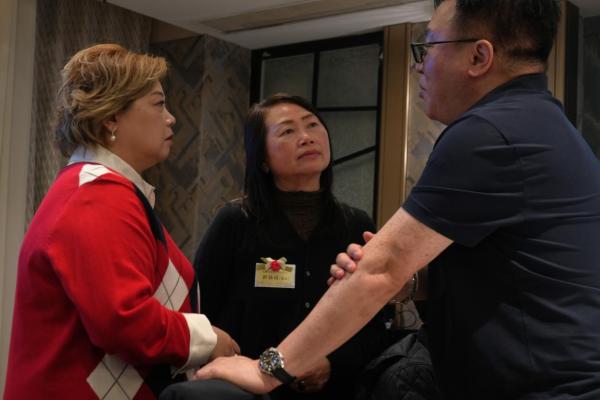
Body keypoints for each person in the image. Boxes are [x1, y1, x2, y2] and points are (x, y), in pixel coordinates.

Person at [192, 0, 600, 399]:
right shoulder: (541, 122)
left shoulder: (489, 133)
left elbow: (380, 269)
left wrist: (268, 369)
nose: (419, 65)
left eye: (429, 47)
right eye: (286, 131)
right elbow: (506, 271)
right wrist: (411, 283)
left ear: (478, 56)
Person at [3, 44, 239, 400]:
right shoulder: (97, 195)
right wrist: (208, 339)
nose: (172, 118)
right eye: (159, 104)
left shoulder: (102, 189)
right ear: (111, 118)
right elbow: (123, 321)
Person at [160, 93, 391, 400]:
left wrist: (331, 363)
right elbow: (199, 314)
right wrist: (272, 368)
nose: (306, 137)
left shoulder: (355, 224)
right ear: (263, 159)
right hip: (242, 391)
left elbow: (374, 322)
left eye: (312, 125)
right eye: (288, 131)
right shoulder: (235, 221)